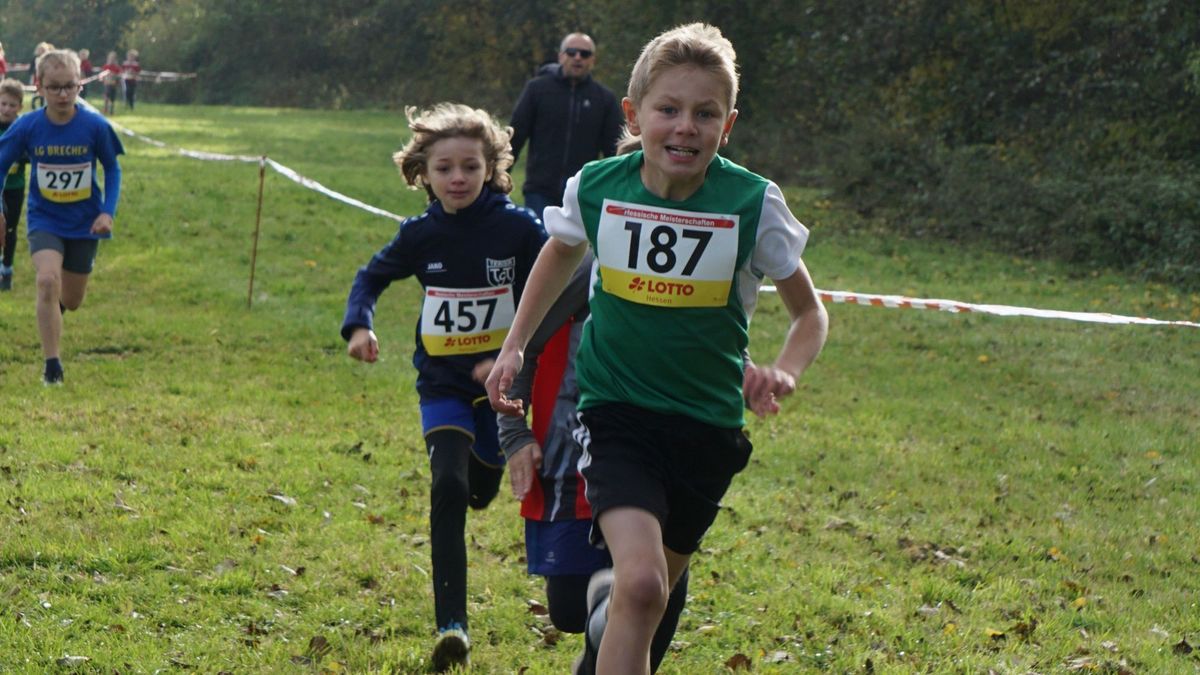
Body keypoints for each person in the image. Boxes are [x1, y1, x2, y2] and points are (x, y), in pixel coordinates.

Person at [486, 23, 829, 674]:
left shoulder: (754, 203)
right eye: (668, 109)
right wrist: (515, 345)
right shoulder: (599, 186)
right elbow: (559, 254)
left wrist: (785, 370)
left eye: (705, 114)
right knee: (642, 586)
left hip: (708, 427)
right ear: (634, 115)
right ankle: (612, 600)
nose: (685, 128)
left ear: (728, 125)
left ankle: (605, 614)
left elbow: (810, 314)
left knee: (647, 599)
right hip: (616, 412)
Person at [340, 103, 546, 672]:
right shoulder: (420, 235)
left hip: (504, 386)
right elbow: (370, 276)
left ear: (491, 169)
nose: (458, 178)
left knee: (479, 489)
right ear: (423, 174)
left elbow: (558, 285)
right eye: (444, 168)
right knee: (449, 487)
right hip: (443, 386)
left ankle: (488, 464)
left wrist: (514, 353)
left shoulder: (519, 229)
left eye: (470, 167)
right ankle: (452, 625)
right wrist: (359, 325)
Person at [497, 253, 687, 673]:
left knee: (656, 586)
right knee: (569, 609)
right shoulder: (590, 263)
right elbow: (523, 344)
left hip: (666, 446)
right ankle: (604, 623)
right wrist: (514, 433)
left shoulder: (702, 254)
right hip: (575, 451)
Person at [0, 49, 125, 385]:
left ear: (80, 84)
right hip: (45, 219)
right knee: (46, 281)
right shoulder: (28, 126)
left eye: (70, 86)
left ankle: (54, 313)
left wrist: (107, 212)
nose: (63, 94)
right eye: (54, 87)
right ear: (39, 87)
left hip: (85, 222)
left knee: (71, 299)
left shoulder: (95, 126)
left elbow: (112, 169)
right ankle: (52, 366)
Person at [509, 32, 623, 218]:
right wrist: (498, 177)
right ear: (561, 56)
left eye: (584, 54)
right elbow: (516, 135)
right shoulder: (537, 89)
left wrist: (621, 190)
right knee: (539, 237)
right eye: (571, 52)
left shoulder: (604, 99)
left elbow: (615, 150)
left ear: (592, 60)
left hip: (581, 194)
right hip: (540, 190)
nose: (577, 57)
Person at [0, 78, 29, 291]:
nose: (7, 109)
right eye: (3, 104)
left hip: (14, 187)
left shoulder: (22, 128)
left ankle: (7, 268)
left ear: (20, 107)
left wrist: (20, 155)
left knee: (10, 229)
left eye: (12, 105)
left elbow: (31, 154)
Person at [100, 52, 121, 116]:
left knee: (112, 98)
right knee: (106, 96)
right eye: (110, 58)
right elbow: (102, 75)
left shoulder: (117, 67)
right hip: (107, 84)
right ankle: (105, 109)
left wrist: (113, 75)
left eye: (113, 59)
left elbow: (119, 76)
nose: (111, 60)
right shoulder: (106, 66)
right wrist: (103, 80)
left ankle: (111, 110)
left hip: (114, 85)